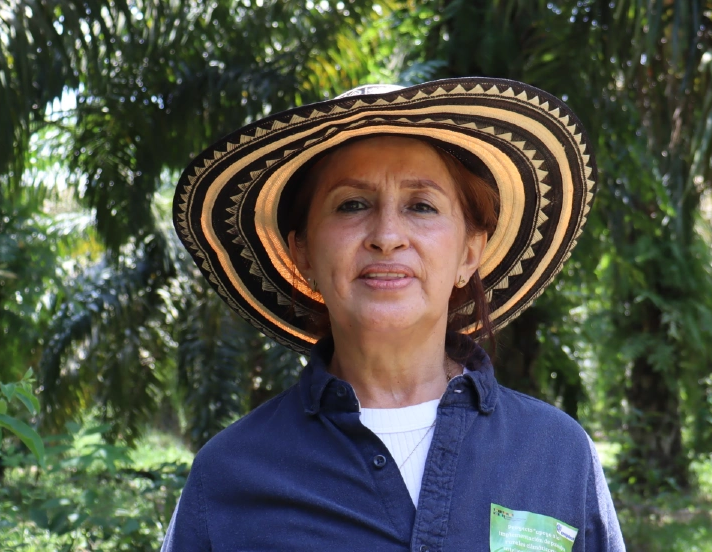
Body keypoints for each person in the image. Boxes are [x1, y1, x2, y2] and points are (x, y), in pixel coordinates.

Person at [163, 78, 624, 551]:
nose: (387, 235)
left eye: (421, 206)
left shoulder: (557, 455)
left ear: (470, 251)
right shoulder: (229, 475)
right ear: (301, 252)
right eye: (352, 205)